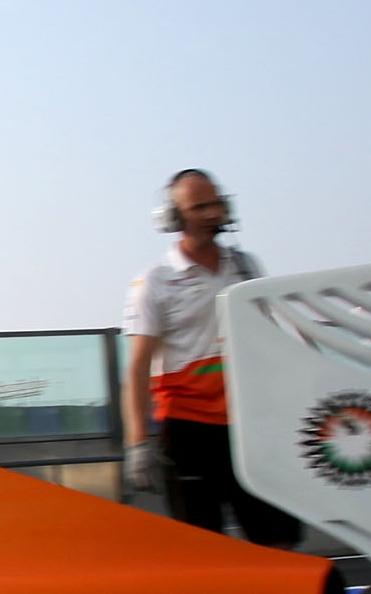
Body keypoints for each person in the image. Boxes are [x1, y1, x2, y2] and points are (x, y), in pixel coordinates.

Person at [120, 169, 299, 547]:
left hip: (250, 425)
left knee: (278, 539)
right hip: (189, 431)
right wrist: (137, 445)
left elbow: (271, 337)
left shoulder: (246, 269)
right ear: (174, 218)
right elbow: (137, 369)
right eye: (199, 207)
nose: (212, 213)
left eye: (216, 204)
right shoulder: (155, 283)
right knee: (205, 545)